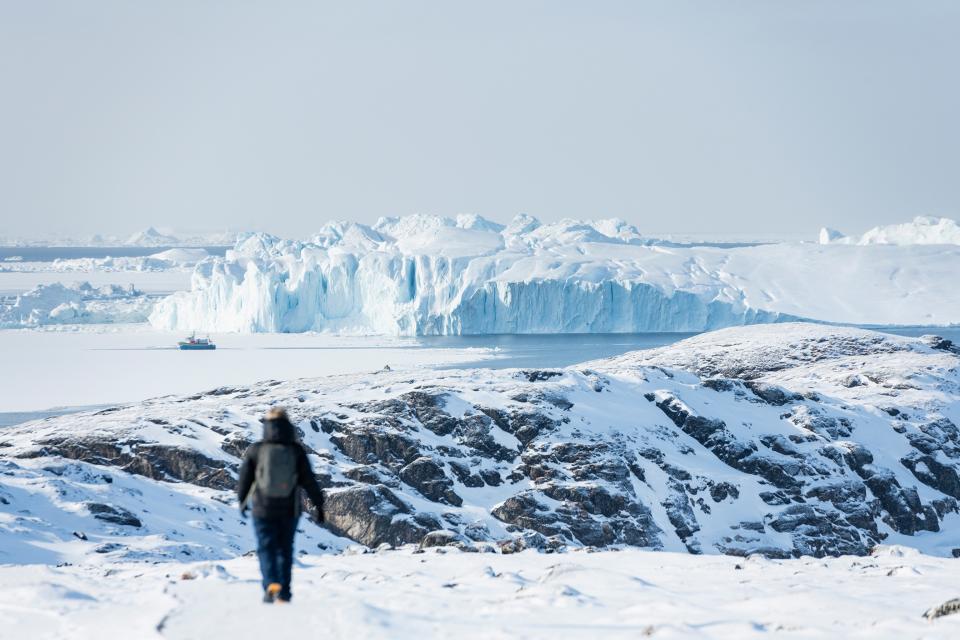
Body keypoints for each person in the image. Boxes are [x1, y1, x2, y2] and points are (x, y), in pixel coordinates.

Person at [237, 407, 325, 603]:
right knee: (285, 549)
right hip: (289, 509)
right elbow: (309, 481)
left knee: (265, 547)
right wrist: (319, 506)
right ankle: (284, 593)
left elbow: (245, 479)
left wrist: (242, 501)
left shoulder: (256, 449)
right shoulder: (296, 450)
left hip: (262, 508)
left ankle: (270, 584)